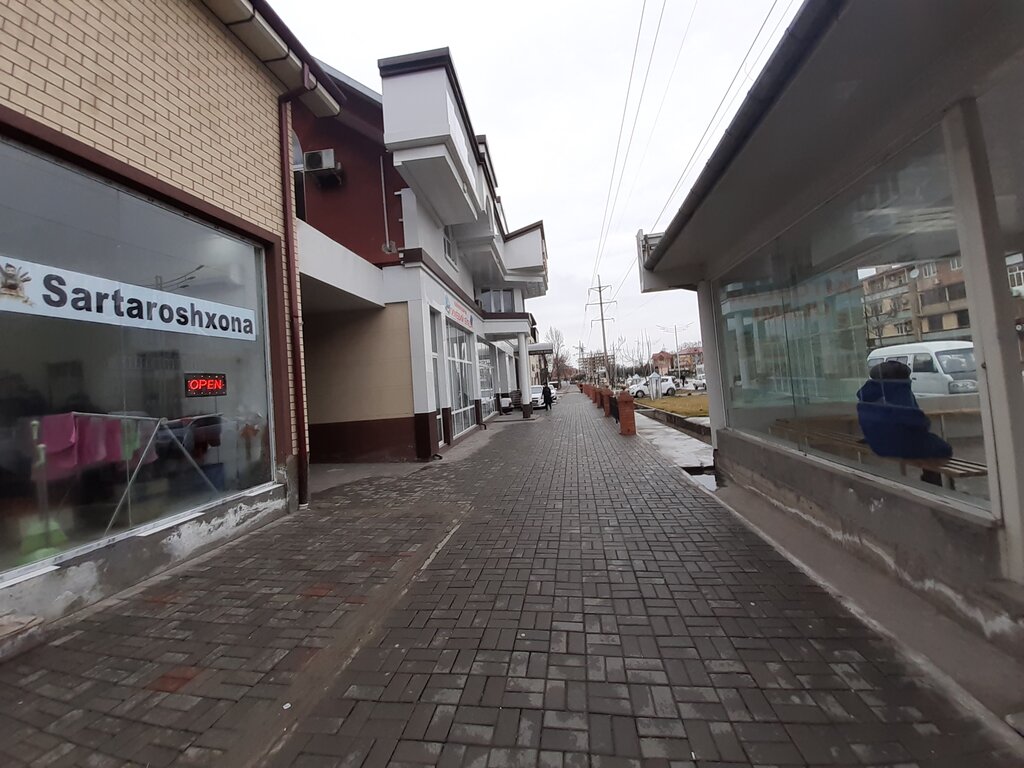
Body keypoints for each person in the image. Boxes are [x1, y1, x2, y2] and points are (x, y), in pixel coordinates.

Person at [856, 360, 951, 484]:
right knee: (942, 448)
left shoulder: (869, 393)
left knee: (929, 443)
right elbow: (915, 422)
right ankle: (935, 484)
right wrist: (925, 422)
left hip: (878, 443)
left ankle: (933, 479)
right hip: (897, 445)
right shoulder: (899, 390)